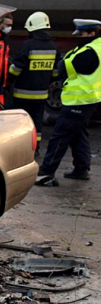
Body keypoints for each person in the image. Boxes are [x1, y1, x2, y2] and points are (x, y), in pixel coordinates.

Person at [37, 19, 101, 186]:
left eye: (81, 34)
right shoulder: (95, 47)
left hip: (79, 99)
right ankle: (81, 169)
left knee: (61, 135)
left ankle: (45, 173)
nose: (79, 37)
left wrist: (63, 64)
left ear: (92, 33)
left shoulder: (90, 51)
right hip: (87, 98)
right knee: (78, 133)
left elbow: (65, 67)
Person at [8, 11, 61, 155]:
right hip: (42, 94)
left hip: (23, 94)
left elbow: (16, 68)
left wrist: (7, 81)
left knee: (20, 122)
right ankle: (35, 148)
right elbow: (56, 73)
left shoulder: (27, 45)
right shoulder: (53, 46)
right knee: (37, 123)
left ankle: (21, 147)